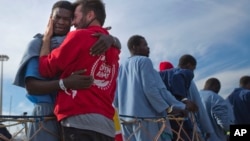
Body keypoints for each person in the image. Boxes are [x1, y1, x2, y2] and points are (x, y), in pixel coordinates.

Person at [13, 1, 120, 141]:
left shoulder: (86, 39)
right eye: (57, 17)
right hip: (47, 116)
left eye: (68, 18)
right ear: (50, 18)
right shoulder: (38, 44)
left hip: (73, 115)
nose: (62, 22)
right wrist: (65, 83)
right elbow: (32, 86)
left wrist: (111, 39)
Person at [114, 35, 188, 141]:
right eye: (145, 45)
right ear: (135, 47)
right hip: (146, 119)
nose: (148, 48)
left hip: (126, 121)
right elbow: (150, 89)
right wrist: (168, 109)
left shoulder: (120, 68)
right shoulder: (144, 61)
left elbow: (115, 98)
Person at [159, 55, 213, 141]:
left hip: (166, 125)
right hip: (184, 122)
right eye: (193, 68)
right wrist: (207, 129)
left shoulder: (160, 77)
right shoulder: (184, 74)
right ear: (189, 65)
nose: (192, 72)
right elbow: (199, 107)